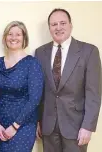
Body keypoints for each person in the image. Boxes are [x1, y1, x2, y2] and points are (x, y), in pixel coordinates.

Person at [35, 8, 101, 152]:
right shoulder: (40, 52)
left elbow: (93, 94)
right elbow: (38, 92)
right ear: (49, 28)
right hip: (48, 127)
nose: (58, 27)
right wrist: (37, 121)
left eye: (63, 23)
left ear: (71, 25)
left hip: (76, 127)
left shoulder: (89, 51)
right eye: (54, 24)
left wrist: (88, 126)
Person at [0, 21, 44, 152]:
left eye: (18, 34)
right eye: (10, 34)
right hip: (0, 125)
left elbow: (35, 99)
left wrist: (15, 126)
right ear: (5, 38)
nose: (13, 37)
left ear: (24, 38)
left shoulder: (32, 64)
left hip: (23, 125)